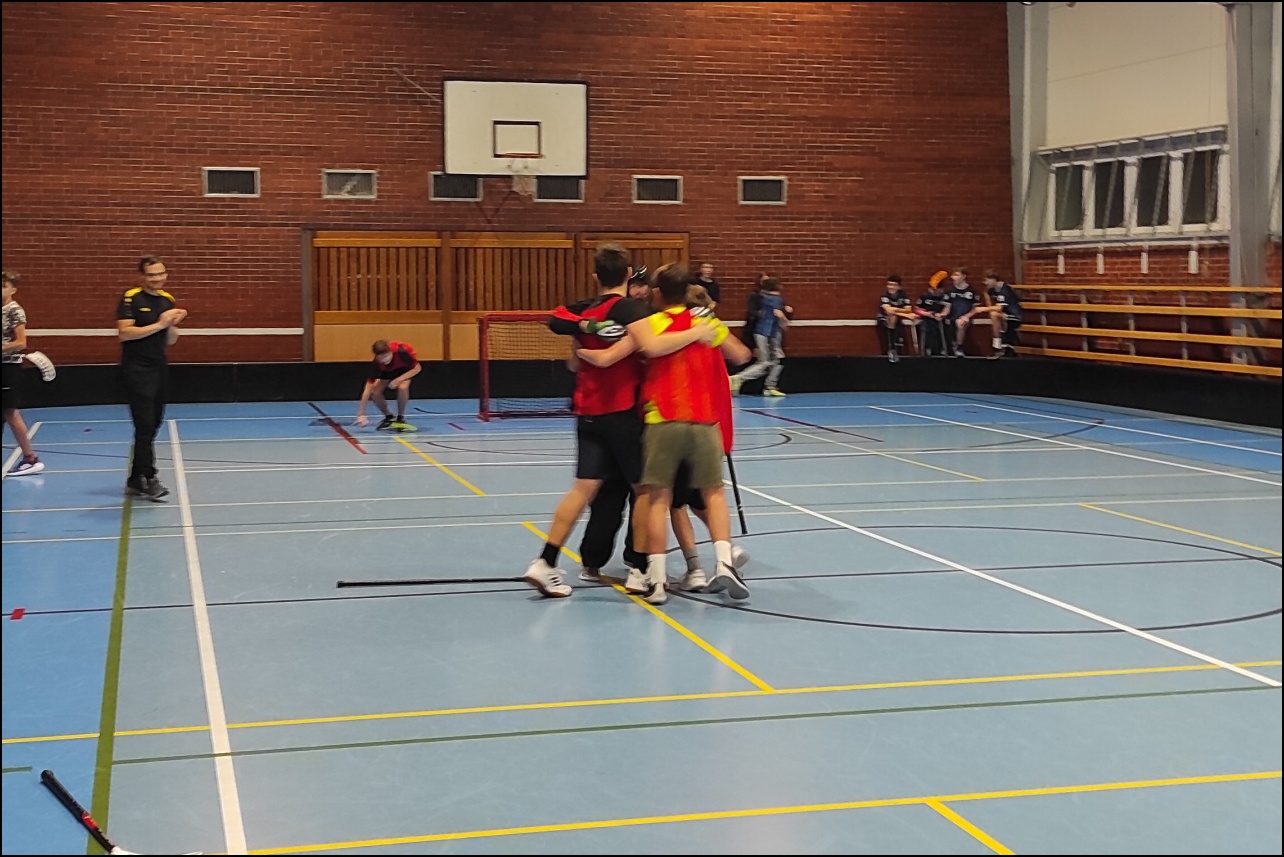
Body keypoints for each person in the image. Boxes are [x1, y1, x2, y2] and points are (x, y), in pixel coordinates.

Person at [525, 245, 710, 598]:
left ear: (595, 276)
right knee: (645, 491)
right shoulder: (630, 310)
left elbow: (560, 329)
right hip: (622, 412)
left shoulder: (583, 309)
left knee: (582, 488)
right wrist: (696, 329)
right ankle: (639, 569)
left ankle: (545, 561)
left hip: (587, 413)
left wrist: (584, 330)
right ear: (628, 274)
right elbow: (652, 346)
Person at [623, 263, 753, 603]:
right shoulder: (707, 322)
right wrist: (708, 327)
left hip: (663, 418)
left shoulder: (652, 323)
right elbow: (741, 354)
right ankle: (724, 563)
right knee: (714, 494)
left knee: (659, 499)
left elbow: (647, 349)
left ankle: (657, 581)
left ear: (657, 293)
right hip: (704, 419)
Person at [575, 264, 653, 582]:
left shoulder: (593, 316)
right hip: (623, 412)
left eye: (645, 286)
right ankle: (618, 561)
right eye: (637, 285)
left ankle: (627, 557)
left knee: (628, 491)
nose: (641, 291)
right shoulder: (629, 319)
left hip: (620, 413)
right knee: (624, 492)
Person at [117, 255, 186, 501]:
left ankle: (135, 479)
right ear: (142, 276)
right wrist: (159, 324)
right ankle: (150, 477)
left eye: (160, 273)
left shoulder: (167, 299)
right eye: (151, 274)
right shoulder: (131, 298)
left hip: (159, 367)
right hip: (137, 369)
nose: (157, 278)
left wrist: (173, 325)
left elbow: (170, 340)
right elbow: (124, 333)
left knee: (153, 423)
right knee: (144, 425)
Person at [2, 270, 44, 476]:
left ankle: (31, 458)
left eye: (4, 286)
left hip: (8, 368)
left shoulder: (15, 310)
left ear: (13, 289)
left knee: (10, 413)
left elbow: (21, 342)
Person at [730, 276, 791, 396]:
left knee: (776, 361)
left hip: (768, 333)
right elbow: (779, 315)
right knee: (766, 362)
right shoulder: (773, 299)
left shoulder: (762, 298)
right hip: (766, 333)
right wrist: (784, 318)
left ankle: (770, 386)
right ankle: (739, 378)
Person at [355, 340, 422, 430]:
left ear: (391, 352)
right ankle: (389, 416)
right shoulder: (376, 364)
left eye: (386, 356)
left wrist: (398, 380)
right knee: (375, 392)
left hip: (404, 371)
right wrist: (361, 414)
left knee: (403, 387)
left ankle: (400, 418)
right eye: (380, 358)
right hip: (388, 372)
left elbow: (417, 368)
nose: (384, 360)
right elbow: (367, 389)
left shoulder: (401, 353)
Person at [981, 269, 1024, 358]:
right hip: (1004, 315)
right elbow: (990, 306)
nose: (985, 283)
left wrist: (981, 309)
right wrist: (986, 295)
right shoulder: (992, 290)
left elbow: (999, 308)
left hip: (1014, 316)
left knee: (994, 315)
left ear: (993, 279)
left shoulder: (1004, 289)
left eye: (986, 280)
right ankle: (1001, 345)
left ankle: (997, 345)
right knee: (994, 315)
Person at [876, 275, 916, 363]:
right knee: (892, 317)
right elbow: (888, 311)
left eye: (894, 285)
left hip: (898, 321)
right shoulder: (884, 295)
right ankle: (891, 348)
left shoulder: (903, 295)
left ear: (899, 287)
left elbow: (908, 309)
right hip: (883, 320)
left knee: (901, 336)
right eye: (889, 284)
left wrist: (895, 310)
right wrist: (906, 315)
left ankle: (899, 351)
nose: (891, 287)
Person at [942, 267, 979, 357]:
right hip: (951, 318)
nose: (953, 277)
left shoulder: (971, 291)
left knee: (960, 323)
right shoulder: (949, 290)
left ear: (964, 276)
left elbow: (975, 308)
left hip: (965, 317)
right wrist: (942, 314)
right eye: (953, 275)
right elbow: (947, 307)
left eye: (956, 275)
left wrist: (967, 316)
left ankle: (959, 347)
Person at [914, 270, 951, 357]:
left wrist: (942, 314)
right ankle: (926, 350)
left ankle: (942, 350)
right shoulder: (925, 296)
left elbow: (947, 307)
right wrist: (927, 314)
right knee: (925, 326)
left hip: (939, 319)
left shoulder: (944, 296)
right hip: (926, 319)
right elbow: (917, 309)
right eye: (939, 290)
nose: (941, 291)